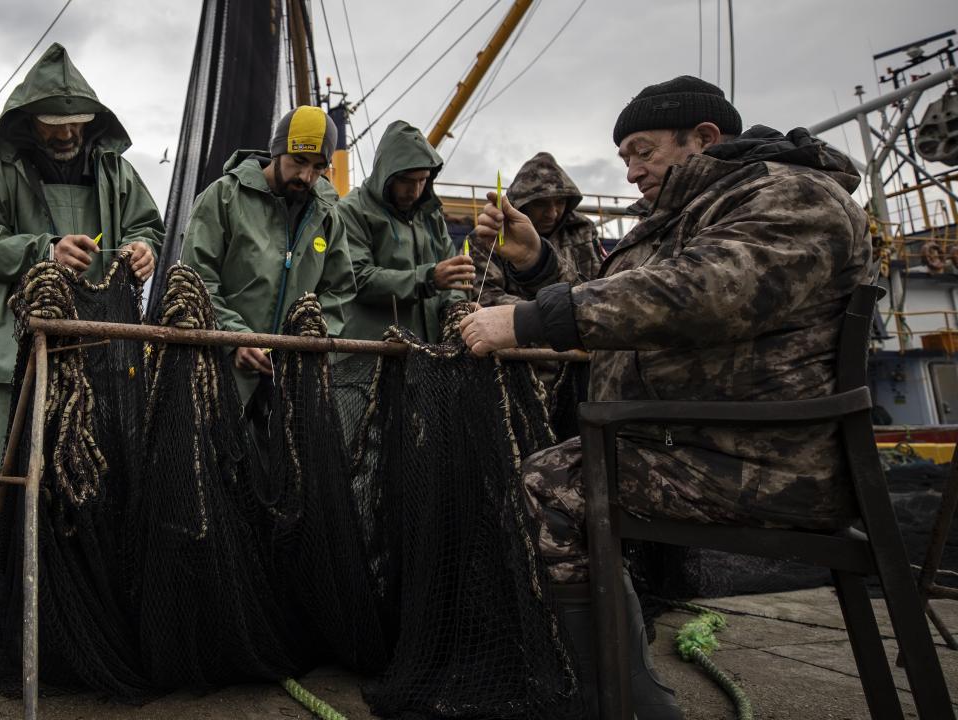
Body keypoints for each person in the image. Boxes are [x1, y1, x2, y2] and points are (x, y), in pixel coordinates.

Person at [461, 76, 872, 718]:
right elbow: (620, 296)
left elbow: (703, 291)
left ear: (704, 137)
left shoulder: (791, 195)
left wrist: (527, 320)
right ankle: (619, 688)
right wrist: (538, 263)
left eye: (642, 151)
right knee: (556, 473)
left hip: (766, 461)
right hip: (704, 442)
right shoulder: (695, 211)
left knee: (548, 488)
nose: (631, 171)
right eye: (624, 157)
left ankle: (618, 702)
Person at [0, 43, 164, 457]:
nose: (68, 132)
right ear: (30, 121)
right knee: (23, 469)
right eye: (55, 124)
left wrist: (144, 247)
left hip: (103, 349)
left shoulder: (116, 170)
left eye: (77, 122)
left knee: (103, 465)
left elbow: (147, 226)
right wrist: (47, 252)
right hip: (21, 349)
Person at [180, 105, 356, 405]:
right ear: (276, 151)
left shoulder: (328, 215)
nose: (306, 175)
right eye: (298, 161)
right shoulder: (223, 197)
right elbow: (195, 279)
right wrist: (234, 339)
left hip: (292, 383)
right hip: (218, 374)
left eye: (318, 167)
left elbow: (339, 290)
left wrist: (310, 338)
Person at [336, 120, 472, 342]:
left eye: (423, 180)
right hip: (373, 356)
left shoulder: (431, 214)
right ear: (386, 175)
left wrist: (456, 308)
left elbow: (453, 277)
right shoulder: (351, 210)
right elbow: (357, 279)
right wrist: (428, 278)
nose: (415, 191)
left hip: (429, 357)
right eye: (407, 181)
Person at [471, 151, 604, 307]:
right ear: (521, 206)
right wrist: (538, 315)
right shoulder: (489, 237)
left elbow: (601, 287)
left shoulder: (582, 230)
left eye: (560, 202)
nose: (552, 213)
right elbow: (483, 296)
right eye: (541, 204)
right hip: (515, 329)